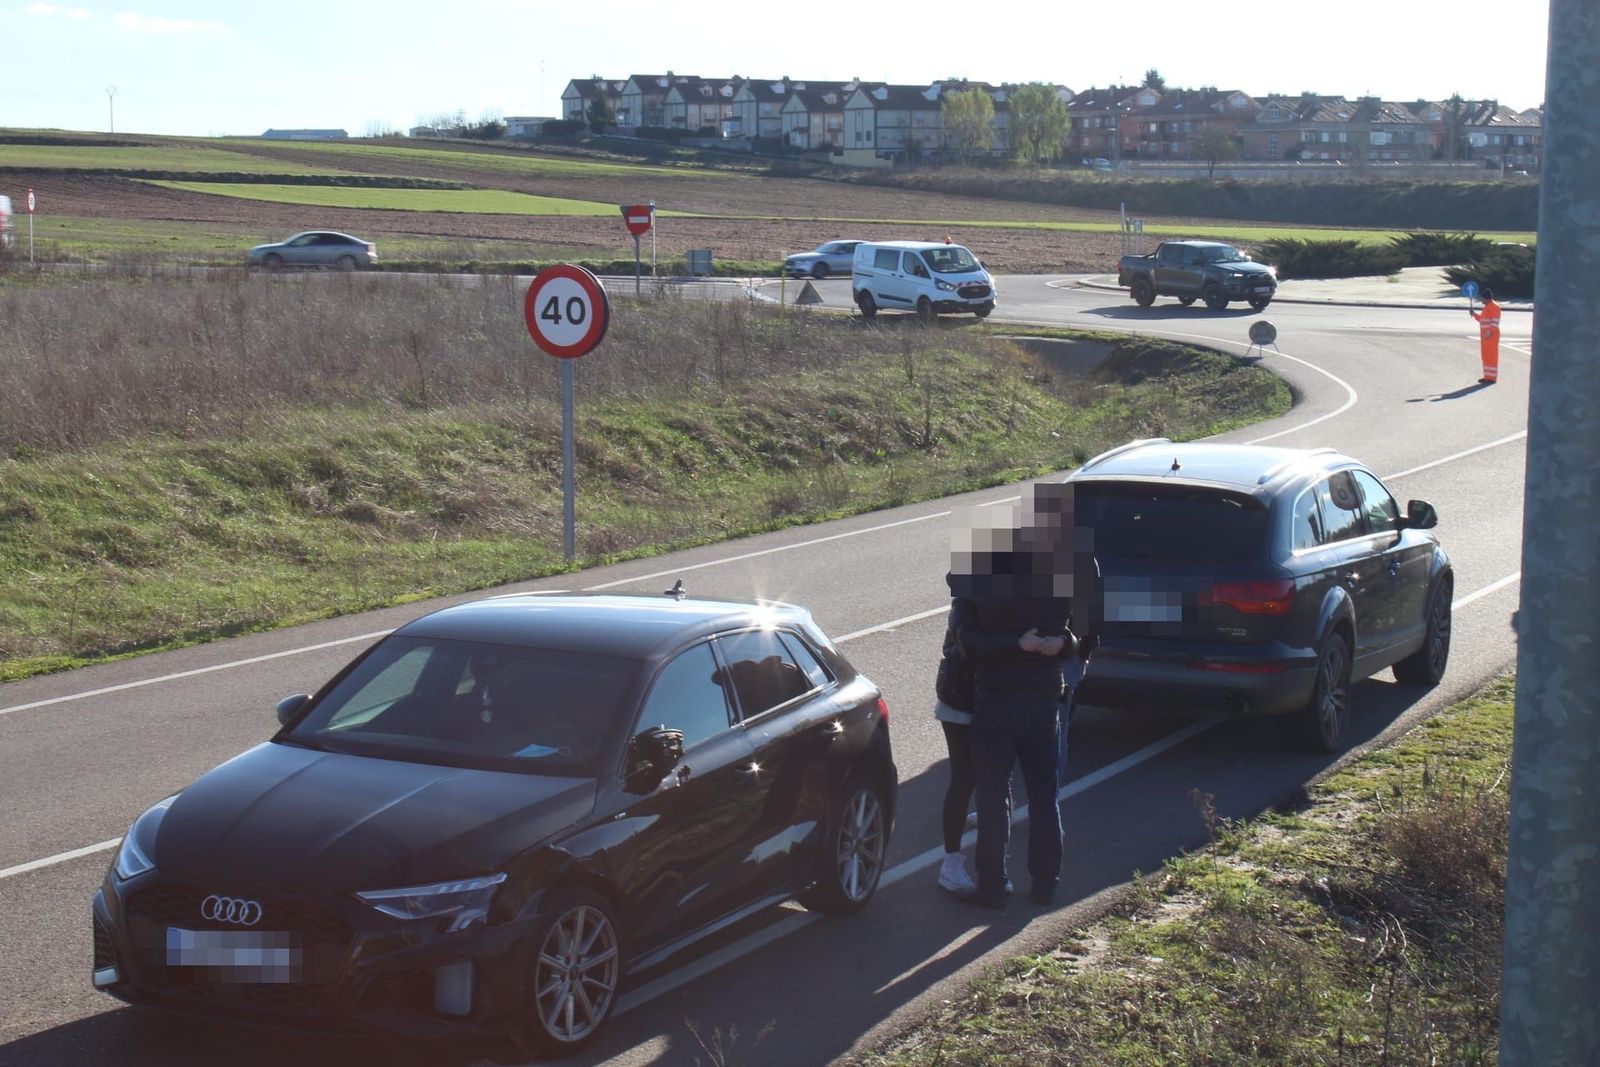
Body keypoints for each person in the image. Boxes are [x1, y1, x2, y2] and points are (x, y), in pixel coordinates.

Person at [952, 533, 1076, 909]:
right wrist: (1064, 644)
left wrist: (1011, 644)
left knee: (992, 798)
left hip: (996, 700)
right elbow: (1079, 629)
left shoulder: (979, 583)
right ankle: (1045, 884)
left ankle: (991, 884)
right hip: (1043, 700)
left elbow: (967, 640)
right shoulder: (1058, 584)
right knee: (1044, 797)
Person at [1470, 287, 1502, 384]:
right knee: (1485, 356)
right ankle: (1487, 376)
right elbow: (1483, 320)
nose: (1481, 300)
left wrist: (1489, 332)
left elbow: (1495, 322)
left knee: (1491, 356)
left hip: (1491, 335)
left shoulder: (1495, 307)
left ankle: (1492, 378)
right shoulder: (1487, 307)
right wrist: (1475, 314)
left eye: (1482, 299)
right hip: (1485, 336)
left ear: (1487, 298)